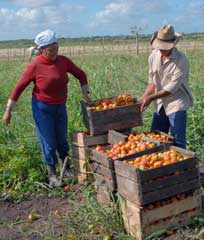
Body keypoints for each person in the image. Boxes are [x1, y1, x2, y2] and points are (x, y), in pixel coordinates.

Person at [2, 29, 91, 187]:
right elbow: (19, 87)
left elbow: (81, 74)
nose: (55, 52)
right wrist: (8, 111)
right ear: (42, 50)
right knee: (48, 141)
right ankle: (52, 174)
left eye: (57, 48)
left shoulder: (63, 61)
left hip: (60, 106)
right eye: (51, 50)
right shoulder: (35, 66)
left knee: (62, 139)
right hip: (42, 108)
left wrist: (85, 92)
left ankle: (67, 168)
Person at [140, 24, 193, 148]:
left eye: (164, 47)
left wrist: (150, 98)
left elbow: (171, 88)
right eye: (159, 46)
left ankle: (182, 167)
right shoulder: (153, 56)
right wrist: (143, 99)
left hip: (176, 103)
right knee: (154, 139)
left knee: (178, 142)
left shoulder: (181, 60)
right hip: (160, 104)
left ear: (173, 44)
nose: (161, 49)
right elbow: (152, 83)